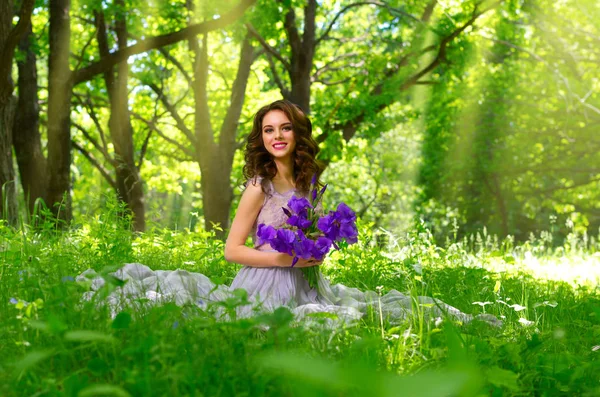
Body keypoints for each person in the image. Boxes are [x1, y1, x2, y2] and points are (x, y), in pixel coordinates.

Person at [78, 99, 500, 327]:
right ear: (261, 140)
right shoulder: (257, 188)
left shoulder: (310, 184)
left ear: (297, 134)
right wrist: (282, 258)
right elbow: (231, 250)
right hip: (264, 279)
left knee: (362, 310)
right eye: (268, 130)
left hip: (307, 278)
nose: (277, 136)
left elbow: (312, 235)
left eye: (284, 128)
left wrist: (319, 249)